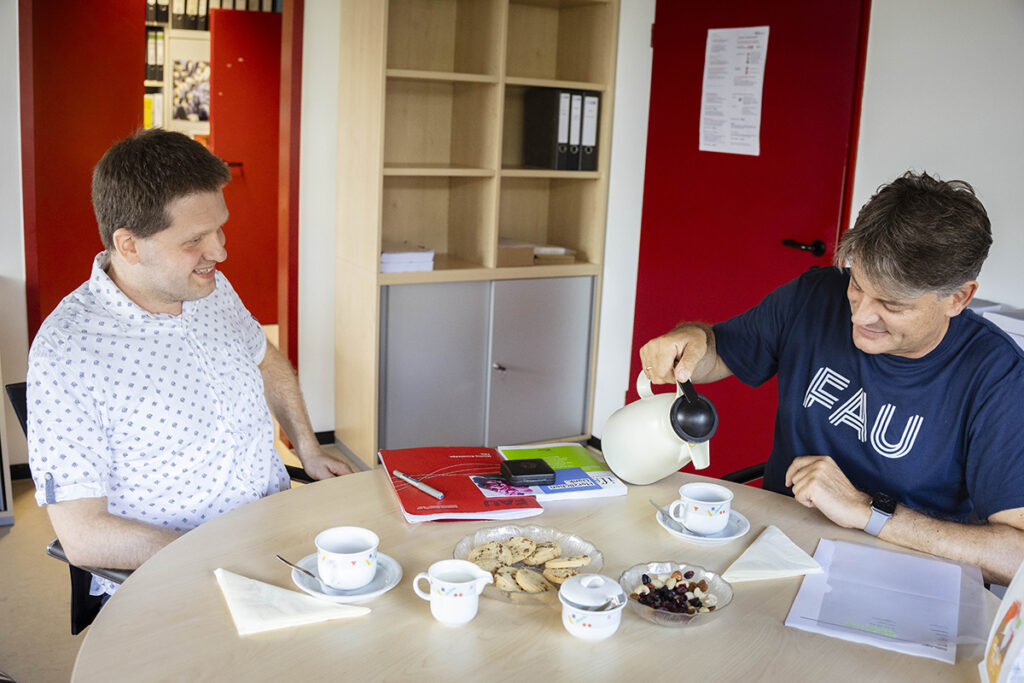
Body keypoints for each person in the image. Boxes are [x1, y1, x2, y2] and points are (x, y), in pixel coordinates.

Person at [639, 171, 1024, 585]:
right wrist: (692, 339)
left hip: (903, 580)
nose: (860, 316)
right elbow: (718, 350)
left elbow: (1015, 557)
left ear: (958, 298)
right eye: (858, 286)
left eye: (891, 305)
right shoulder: (814, 295)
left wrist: (864, 510)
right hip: (774, 554)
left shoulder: (998, 378)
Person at [27, 129, 352, 595]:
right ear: (130, 245)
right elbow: (83, 535)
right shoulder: (69, 353)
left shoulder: (209, 289)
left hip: (277, 537)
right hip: (175, 576)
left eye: (219, 228)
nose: (219, 251)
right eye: (194, 239)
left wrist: (308, 446)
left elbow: (265, 358)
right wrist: (221, 559)